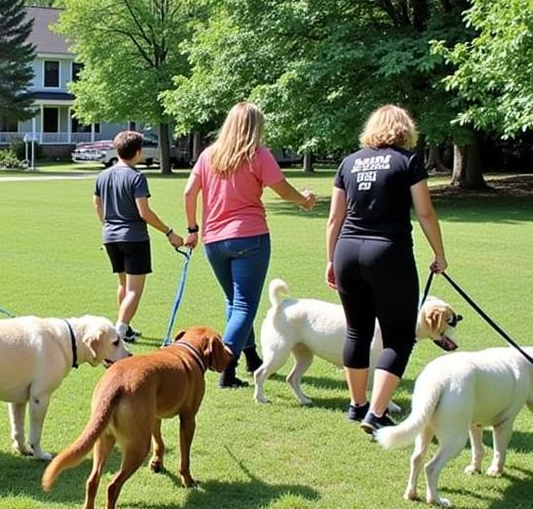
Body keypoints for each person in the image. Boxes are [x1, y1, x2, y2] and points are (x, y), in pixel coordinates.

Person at [326, 104, 447, 433]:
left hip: (347, 251)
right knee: (399, 335)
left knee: (357, 331)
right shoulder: (408, 161)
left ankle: (357, 404)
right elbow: (425, 212)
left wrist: (330, 259)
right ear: (404, 129)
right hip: (388, 253)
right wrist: (439, 253)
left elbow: (335, 219)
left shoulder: (349, 162)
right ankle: (376, 412)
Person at [183, 101, 316, 387]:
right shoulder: (257, 154)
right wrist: (303, 199)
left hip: (214, 241)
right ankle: (222, 366)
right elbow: (281, 189)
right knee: (243, 306)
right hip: (249, 237)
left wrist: (192, 228)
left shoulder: (209, 155)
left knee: (234, 302)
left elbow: (189, 192)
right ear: (255, 127)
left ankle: (250, 358)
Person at [93, 130, 185, 343]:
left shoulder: (103, 175)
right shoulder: (136, 177)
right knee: (134, 289)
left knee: (123, 284)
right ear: (137, 152)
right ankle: (120, 330)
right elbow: (144, 212)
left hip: (110, 236)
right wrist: (169, 232)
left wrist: (107, 224)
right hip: (133, 238)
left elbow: (98, 204)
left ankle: (126, 328)